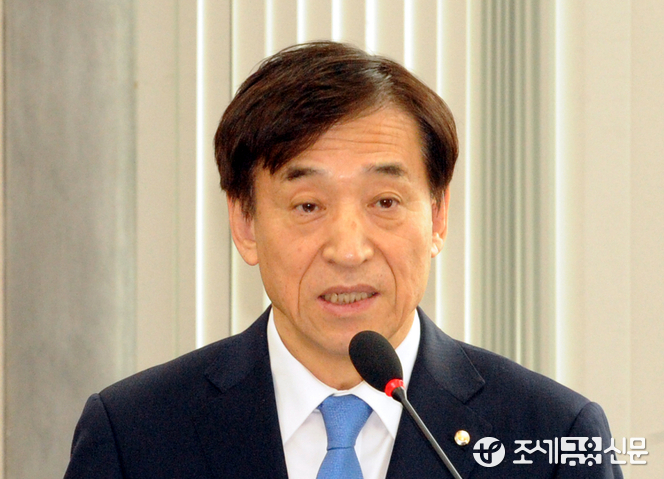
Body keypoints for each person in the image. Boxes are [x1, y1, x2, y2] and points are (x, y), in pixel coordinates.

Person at [64, 41, 622, 478]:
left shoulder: (553, 437)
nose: (349, 250)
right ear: (245, 223)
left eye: (385, 202)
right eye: (308, 206)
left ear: (438, 216)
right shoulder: (135, 436)